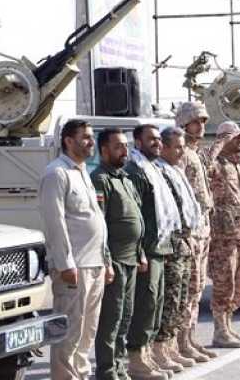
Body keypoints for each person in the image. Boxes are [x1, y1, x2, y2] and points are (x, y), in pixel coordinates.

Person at [38, 120, 112, 380]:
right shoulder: (56, 173)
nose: (91, 142)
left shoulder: (81, 172)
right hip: (75, 267)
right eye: (86, 137)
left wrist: (106, 261)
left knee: (87, 330)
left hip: (94, 265)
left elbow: (96, 220)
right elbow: (54, 223)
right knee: (69, 331)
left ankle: (80, 374)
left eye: (92, 137)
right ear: (68, 141)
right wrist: (65, 264)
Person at [91, 128, 159, 380]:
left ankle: (120, 368)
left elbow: (138, 219)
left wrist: (141, 252)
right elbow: (100, 225)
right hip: (116, 260)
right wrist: (107, 261)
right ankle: (107, 372)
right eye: (118, 146)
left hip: (132, 258)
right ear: (104, 150)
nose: (125, 151)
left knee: (125, 318)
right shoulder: (100, 179)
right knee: (111, 320)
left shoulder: (125, 179)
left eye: (125, 146)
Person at [125, 125, 183, 375]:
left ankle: (147, 354)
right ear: (137, 142)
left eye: (159, 139)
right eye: (151, 140)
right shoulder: (135, 171)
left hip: (160, 247)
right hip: (146, 249)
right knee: (145, 304)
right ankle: (136, 359)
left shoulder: (153, 169)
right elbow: (135, 215)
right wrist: (140, 251)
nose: (157, 143)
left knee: (156, 304)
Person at [154, 127, 206, 367]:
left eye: (182, 146)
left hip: (185, 241)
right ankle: (160, 351)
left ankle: (172, 346)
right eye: (176, 146)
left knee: (182, 298)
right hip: (170, 244)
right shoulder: (158, 172)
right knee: (169, 300)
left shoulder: (175, 170)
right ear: (163, 147)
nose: (180, 151)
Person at [206, 120, 240, 348]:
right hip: (223, 235)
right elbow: (203, 165)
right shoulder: (214, 163)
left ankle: (228, 326)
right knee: (223, 282)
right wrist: (219, 143)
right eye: (237, 137)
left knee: (239, 282)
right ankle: (219, 330)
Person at [175, 102, 219, 361]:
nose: (201, 126)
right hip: (190, 230)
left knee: (198, 287)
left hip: (202, 227)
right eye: (196, 121)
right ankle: (181, 342)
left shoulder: (195, 152)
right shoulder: (181, 154)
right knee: (188, 289)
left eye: (203, 121)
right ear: (183, 123)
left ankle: (189, 339)